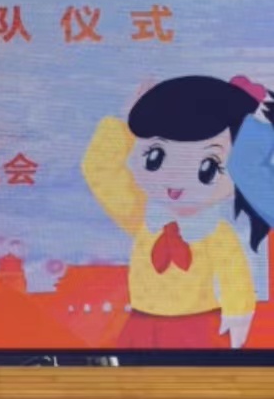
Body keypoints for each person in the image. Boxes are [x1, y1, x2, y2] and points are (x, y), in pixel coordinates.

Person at [82, 75, 270, 349]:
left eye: (208, 167)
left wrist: (238, 315)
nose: (175, 177)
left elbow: (235, 277)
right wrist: (125, 125)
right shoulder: (140, 214)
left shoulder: (216, 234)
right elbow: (100, 168)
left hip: (200, 326)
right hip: (142, 326)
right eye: (155, 157)